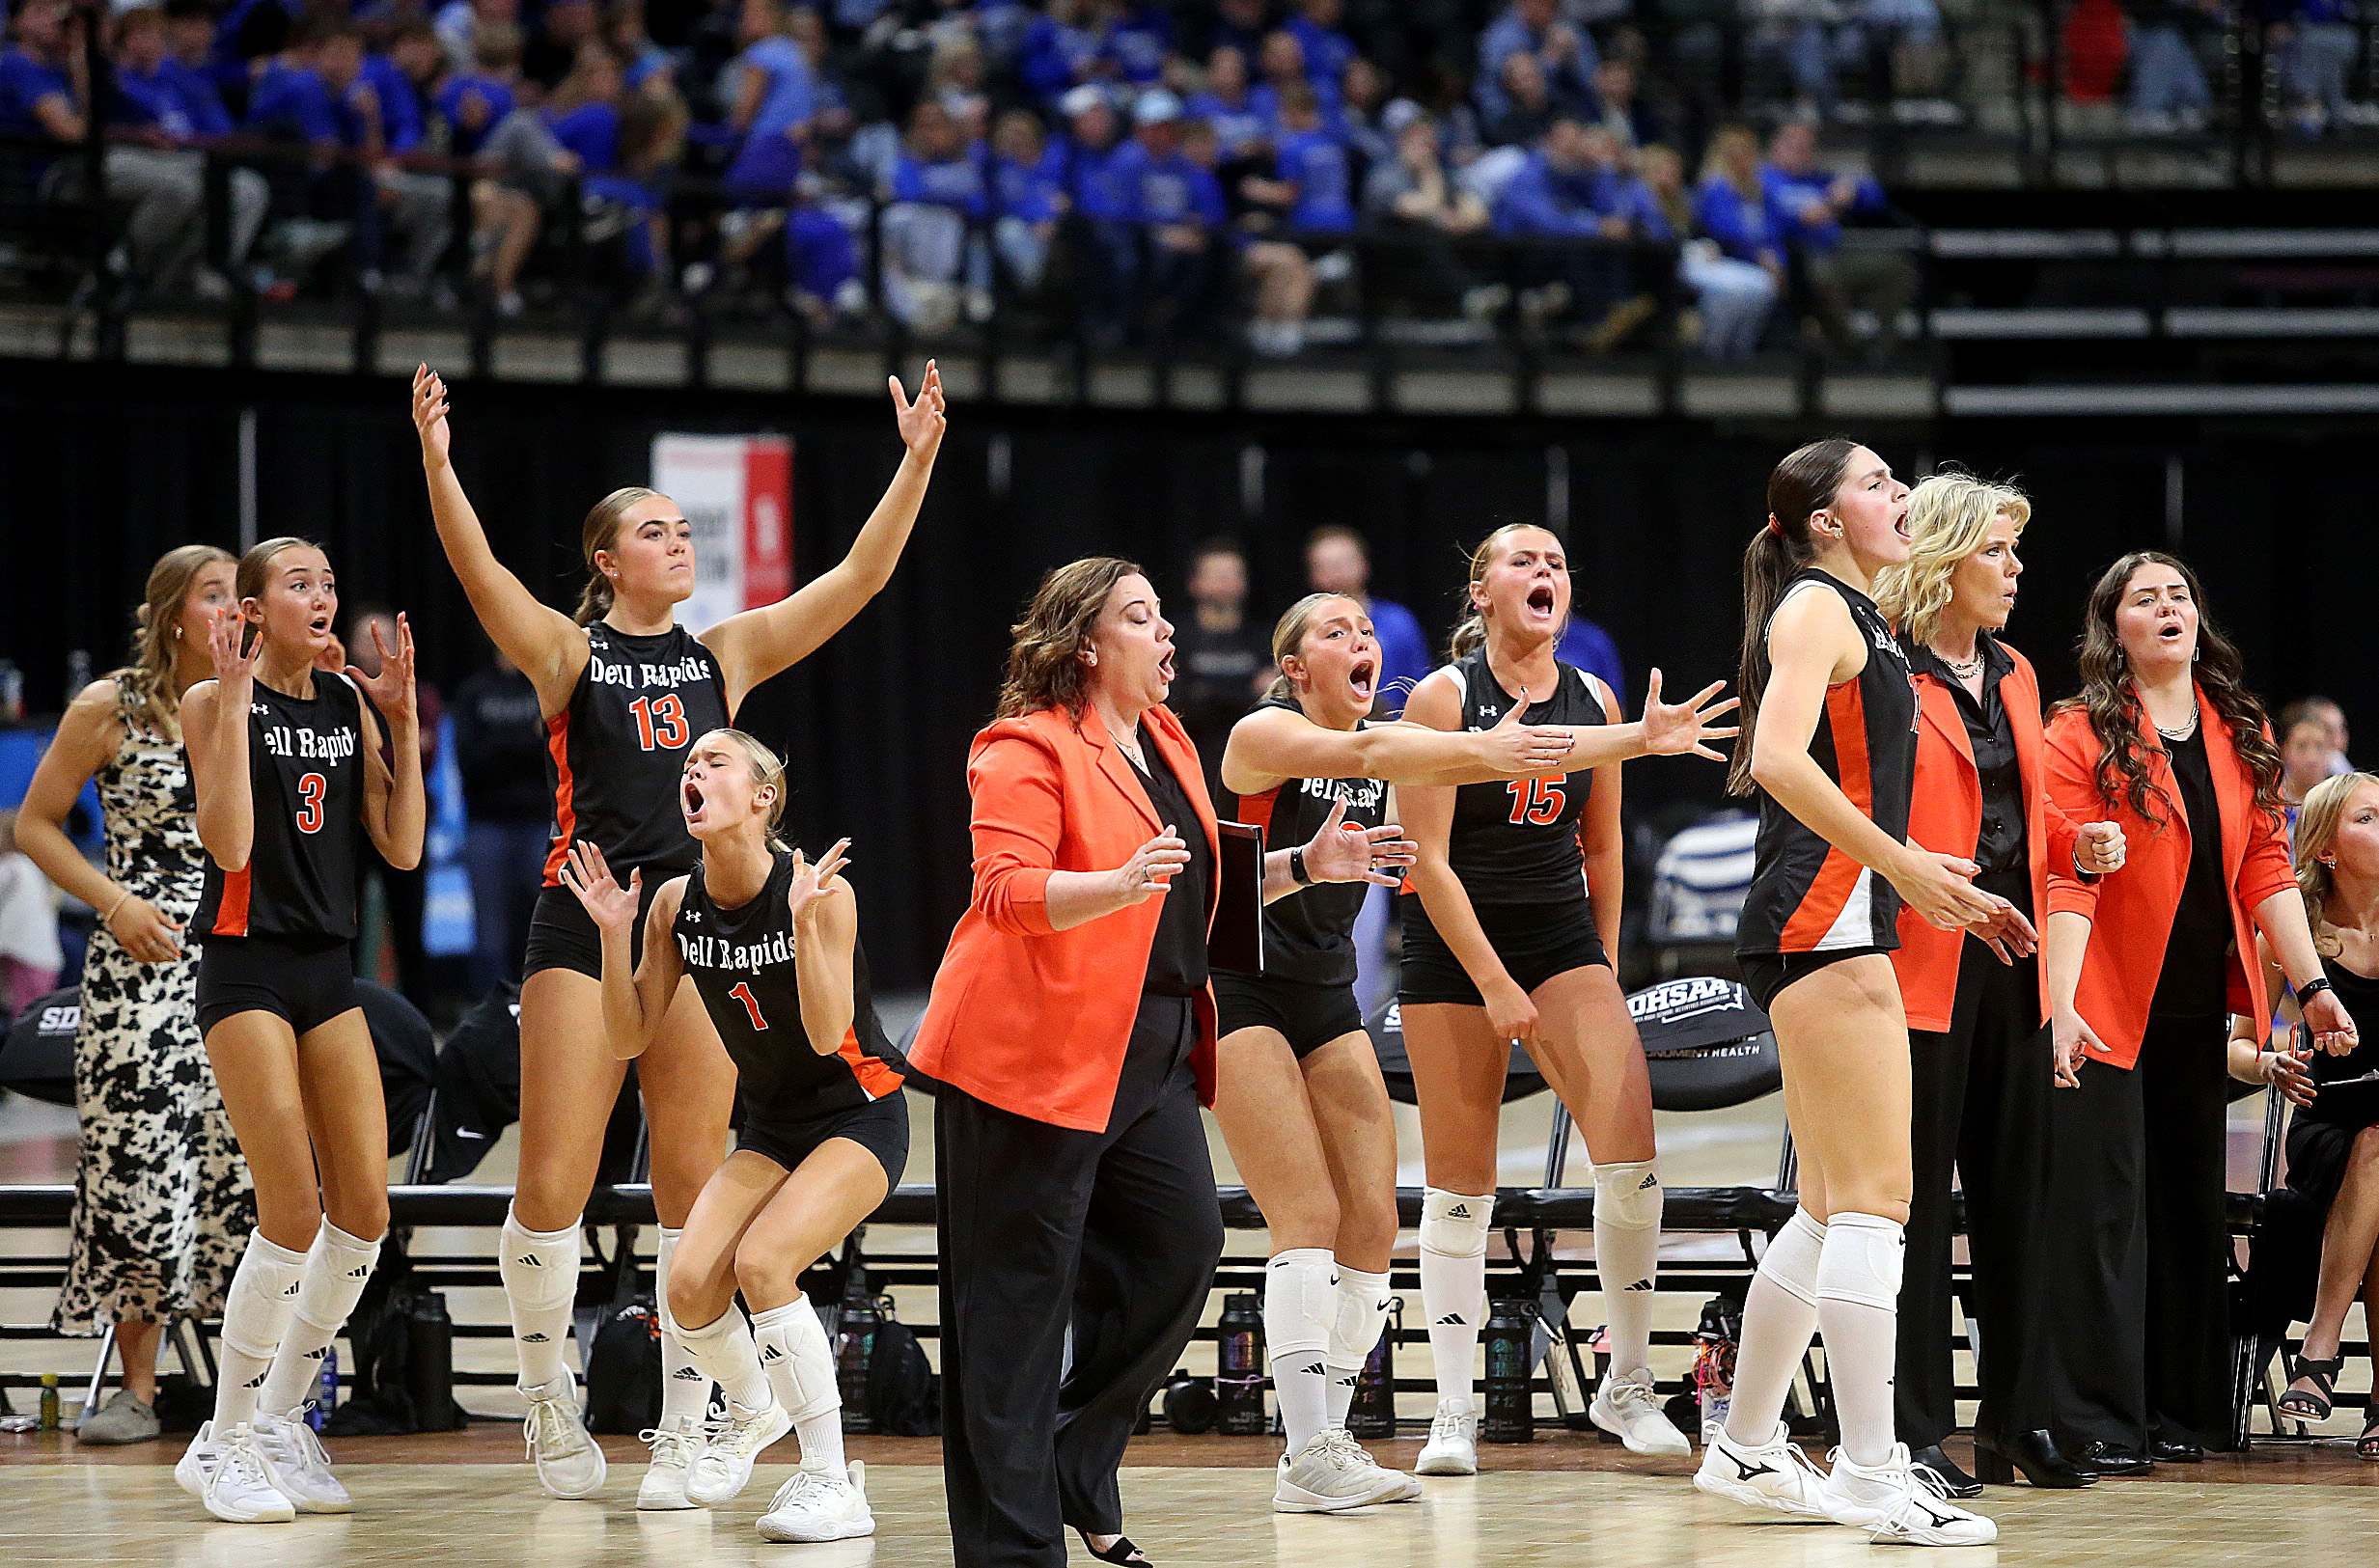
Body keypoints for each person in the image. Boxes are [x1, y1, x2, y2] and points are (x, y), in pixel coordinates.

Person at [408, 360, 944, 1506]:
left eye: (682, 528)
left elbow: (858, 575)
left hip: (699, 923)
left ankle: (687, 1425)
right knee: (550, 1179)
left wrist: (915, 460)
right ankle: (547, 1401)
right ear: (608, 561)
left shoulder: (724, 654)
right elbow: (479, 571)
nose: (680, 541)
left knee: (693, 1188)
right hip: (588, 911)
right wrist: (440, 467)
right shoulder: (569, 653)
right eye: (654, 531)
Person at [1217, 591, 1655, 1507]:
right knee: (1305, 1210)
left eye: (1366, 630)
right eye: (1333, 633)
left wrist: (1635, 740)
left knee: (1371, 1221)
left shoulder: (1387, 736)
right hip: (1238, 987)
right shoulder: (1264, 732)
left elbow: (1483, 755)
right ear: (1294, 668)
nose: (1360, 642)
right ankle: (1303, 1451)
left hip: (1327, 994)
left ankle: (1328, 1437)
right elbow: (1382, 752)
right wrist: (1310, 861)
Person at [1692, 438, 2005, 1546]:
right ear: (1823, 521)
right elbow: (1774, 757)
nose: (1900, 495)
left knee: (1831, 1208)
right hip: (1821, 925)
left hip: (1829, 922)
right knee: (1879, 1199)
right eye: (1875, 482)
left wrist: (1935, 878)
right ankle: (1870, 1471)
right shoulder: (1816, 609)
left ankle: (1741, 1441)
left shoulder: (1863, 617)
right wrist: (1902, 862)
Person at [1397, 523, 1736, 1476]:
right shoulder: (1438, 696)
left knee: (1629, 1158)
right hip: (1451, 945)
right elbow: (1423, 857)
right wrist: (1494, 983)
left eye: (1553, 561)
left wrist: (1603, 963)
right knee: (1459, 1184)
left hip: (1557, 939)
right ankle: (1453, 1409)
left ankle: (1626, 1384)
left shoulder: (1592, 699)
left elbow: (1602, 847)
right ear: (1479, 593)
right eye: (1520, 560)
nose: (1543, 572)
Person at [909, 557, 1226, 1568]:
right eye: (1141, 615)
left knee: (1182, 1246)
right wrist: (1116, 882)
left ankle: (1073, 1455)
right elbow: (1007, 889)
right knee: (1013, 1305)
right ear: (1087, 643)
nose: (1165, 629)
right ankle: (1010, 1547)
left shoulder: (1168, 738)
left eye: (1162, 612)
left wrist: (1310, 867)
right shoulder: (1021, 745)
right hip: (1029, 1050)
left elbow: (1180, 891)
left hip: (1155, 1042)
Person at [2039, 550, 2355, 1471]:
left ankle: (2184, 1409)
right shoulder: (2078, 729)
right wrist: (2059, 1002)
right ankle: (2098, 1416)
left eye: (2178, 594)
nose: (2167, 607)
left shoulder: (2236, 725)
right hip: (2102, 997)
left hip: (2193, 1005)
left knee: (2185, 1210)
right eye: (2145, 598)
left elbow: (2265, 867)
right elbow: (2068, 874)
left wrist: (2312, 986)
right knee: (2104, 1211)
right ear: (2116, 627)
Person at [558, 730, 901, 1542]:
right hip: (776, 1123)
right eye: (687, 764)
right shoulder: (675, 903)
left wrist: (807, 925)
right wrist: (613, 933)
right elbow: (629, 1035)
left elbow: (826, 1035)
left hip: (859, 1110)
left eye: (714, 762)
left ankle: (830, 1479)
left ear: (761, 796)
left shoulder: (817, 888)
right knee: (685, 1288)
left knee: (763, 1262)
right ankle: (751, 1405)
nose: (693, 771)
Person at [1870, 475, 2122, 1494]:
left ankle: (2022, 1421)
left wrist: (2080, 840)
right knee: (1920, 1205)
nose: (2015, 570)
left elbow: (2029, 821)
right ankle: (1914, 1429)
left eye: (2015, 551)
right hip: (1919, 962)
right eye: (1995, 552)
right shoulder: (1883, 670)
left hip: (2015, 963)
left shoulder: (2015, 672)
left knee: (2024, 1200)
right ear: (1939, 559)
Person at [174, 538, 424, 1524]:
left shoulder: (348, 703)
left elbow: (400, 849)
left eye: (326, 580)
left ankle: (278, 1415)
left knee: (363, 1208)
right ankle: (222, 1437)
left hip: (327, 967)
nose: (321, 596)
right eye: (298, 583)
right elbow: (228, 842)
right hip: (245, 966)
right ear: (250, 606)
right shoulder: (208, 703)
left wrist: (402, 720)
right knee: (288, 1209)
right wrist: (233, 699)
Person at [15, 546, 253, 1448]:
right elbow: (36, 823)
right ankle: (139, 1387)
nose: (234, 607)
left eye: (241, 593)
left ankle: (249, 1392)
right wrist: (112, 903)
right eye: (215, 594)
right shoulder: (111, 706)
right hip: (139, 962)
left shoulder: (254, 699)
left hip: (239, 953)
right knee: (140, 1168)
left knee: (241, 1168)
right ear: (172, 614)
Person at [2267, 772, 2379, 1461]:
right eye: (2368, 816)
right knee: (2374, 1145)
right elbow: (2238, 1039)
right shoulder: (2295, 931)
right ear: (2329, 845)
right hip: (2326, 1126)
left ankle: (2320, 1346)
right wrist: (2270, 1061)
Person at [1763, 121, 1915, 365]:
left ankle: (1881, 347)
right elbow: (1793, 219)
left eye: (1807, 148)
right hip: (1797, 259)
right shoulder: (1766, 181)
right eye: (1795, 147)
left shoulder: (1819, 179)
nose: (1802, 153)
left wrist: (1853, 190)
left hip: (1835, 251)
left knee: (1898, 268)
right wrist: (1830, 206)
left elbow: (1875, 199)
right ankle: (1848, 349)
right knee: (1822, 277)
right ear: (1776, 147)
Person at [450, 647, 549, 992]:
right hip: (486, 825)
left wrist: (500, 745)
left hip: (540, 825)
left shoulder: (543, 687)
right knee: (489, 933)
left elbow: (556, 755)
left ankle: (542, 1013)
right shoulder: (475, 691)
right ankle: (489, 1020)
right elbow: (471, 762)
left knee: (543, 927)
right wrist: (528, 741)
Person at [1304, 526, 1427, 713]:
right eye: (1325, 566)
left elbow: (1420, 680)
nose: (1336, 573)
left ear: (1364, 565)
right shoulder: (1305, 628)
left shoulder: (1399, 621)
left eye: (1342, 563)